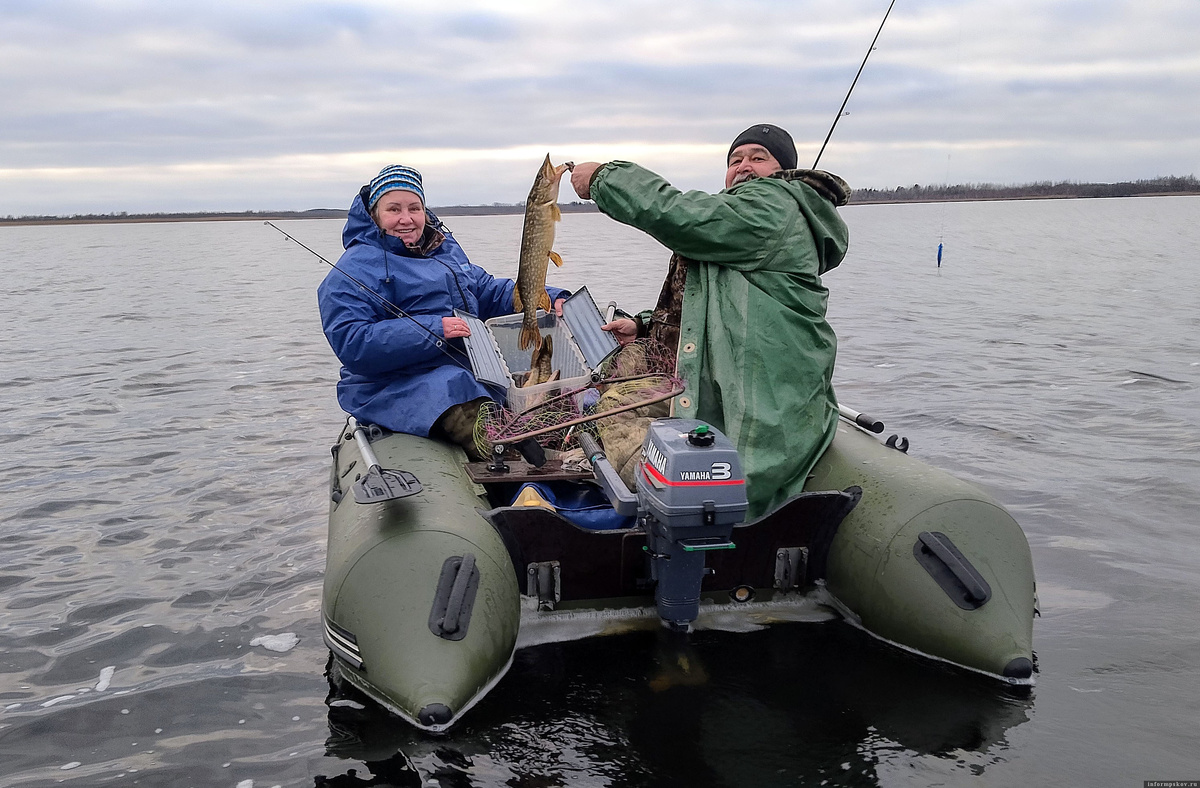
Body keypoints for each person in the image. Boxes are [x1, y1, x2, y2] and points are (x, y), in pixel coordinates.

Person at [568, 124, 851, 519]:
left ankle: (660, 498)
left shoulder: (773, 207)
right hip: (720, 378)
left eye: (758, 157)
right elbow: (711, 298)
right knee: (620, 383)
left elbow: (677, 214)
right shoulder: (741, 218)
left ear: (784, 171)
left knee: (614, 410)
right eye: (735, 160)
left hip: (760, 398)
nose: (744, 167)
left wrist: (604, 178)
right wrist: (645, 325)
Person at [318, 164, 569, 459]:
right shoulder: (351, 270)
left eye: (414, 208)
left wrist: (547, 297)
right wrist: (436, 330)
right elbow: (354, 342)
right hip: (393, 387)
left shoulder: (443, 251)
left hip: (465, 374)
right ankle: (518, 466)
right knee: (468, 402)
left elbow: (486, 290)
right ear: (374, 214)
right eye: (393, 209)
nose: (406, 219)